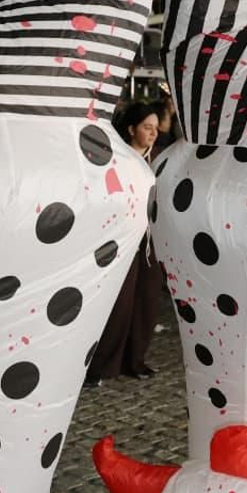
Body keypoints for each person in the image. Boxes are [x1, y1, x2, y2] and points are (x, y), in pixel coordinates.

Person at [86, 103, 163, 385]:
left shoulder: (159, 158)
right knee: (118, 302)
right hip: (122, 238)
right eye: (147, 127)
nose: (153, 133)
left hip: (152, 239)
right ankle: (100, 366)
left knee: (146, 301)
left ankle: (135, 360)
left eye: (156, 128)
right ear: (131, 129)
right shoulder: (118, 158)